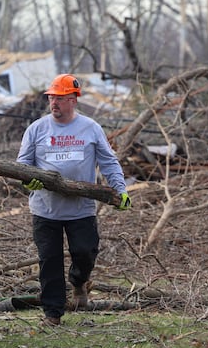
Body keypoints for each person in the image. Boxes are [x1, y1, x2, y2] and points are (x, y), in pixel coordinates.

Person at [17, 73, 129, 327]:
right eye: (51, 98)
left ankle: (79, 283)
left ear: (74, 100)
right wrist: (27, 180)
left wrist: (120, 190)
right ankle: (53, 313)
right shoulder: (37, 129)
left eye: (60, 98)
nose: (54, 103)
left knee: (85, 252)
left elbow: (108, 162)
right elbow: (22, 164)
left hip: (81, 208)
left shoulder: (90, 128)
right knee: (49, 260)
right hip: (45, 208)